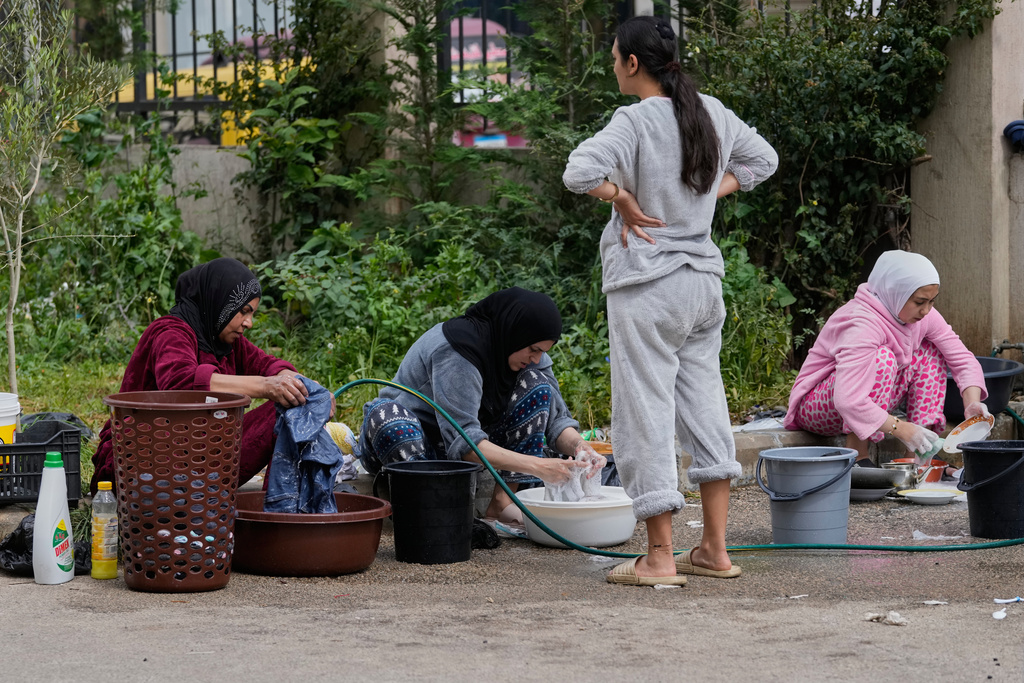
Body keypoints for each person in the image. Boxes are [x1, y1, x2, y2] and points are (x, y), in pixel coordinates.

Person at [563, 16, 778, 585]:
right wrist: (709, 194)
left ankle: (659, 558)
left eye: (614, 58)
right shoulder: (711, 111)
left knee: (644, 411)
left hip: (648, 287)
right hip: (702, 285)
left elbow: (578, 172)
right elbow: (763, 161)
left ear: (633, 64)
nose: (612, 67)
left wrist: (622, 198)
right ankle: (714, 549)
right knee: (706, 403)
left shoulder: (632, 121)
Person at [358, 287, 605, 528]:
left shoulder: (527, 352)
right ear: (514, 332)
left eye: (543, 352)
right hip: (410, 446)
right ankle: (432, 515)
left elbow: (556, 422)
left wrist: (581, 447)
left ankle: (502, 501)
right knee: (387, 418)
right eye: (534, 350)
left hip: (462, 450)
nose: (537, 358)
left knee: (537, 385)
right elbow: (464, 443)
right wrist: (539, 467)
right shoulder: (458, 350)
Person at [90, 258, 310, 492]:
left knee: (291, 407)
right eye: (244, 311)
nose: (249, 323)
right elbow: (181, 382)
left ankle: (279, 510)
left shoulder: (226, 341)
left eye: (252, 313)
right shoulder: (170, 332)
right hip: (147, 459)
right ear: (220, 302)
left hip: (200, 455)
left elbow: (268, 364)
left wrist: (302, 386)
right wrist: (267, 386)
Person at [784, 250, 988, 464]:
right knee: (882, 358)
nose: (926, 310)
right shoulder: (863, 323)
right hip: (820, 409)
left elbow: (962, 359)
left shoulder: (921, 317)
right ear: (895, 292)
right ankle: (858, 456)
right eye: (919, 302)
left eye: (931, 301)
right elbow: (847, 400)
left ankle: (920, 455)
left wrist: (971, 403)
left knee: (930, 352)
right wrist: (901, 429)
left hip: (863, 404)